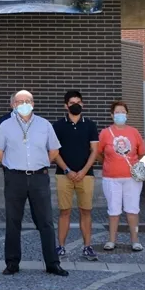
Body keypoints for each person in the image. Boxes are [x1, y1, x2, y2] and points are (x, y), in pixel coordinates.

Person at [0, 90, 68, 276]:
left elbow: (54, 150)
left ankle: (52, 263)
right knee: (12, 221)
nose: (24, 104)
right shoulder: (6, 125)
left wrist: (38, 163)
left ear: (33, 103)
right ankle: (12, 263)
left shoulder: (44, 124)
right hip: (15, 177)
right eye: (20, 101)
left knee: (45, 222)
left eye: (27, 101)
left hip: (39, 177)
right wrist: (12, 166)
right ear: (13, 105)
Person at [52, 90, 99, 261]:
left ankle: (87, 247)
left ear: (83, 104)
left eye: (78, 102)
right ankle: (61, 247)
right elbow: (54, 152)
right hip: (63, 175)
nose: (76, 105)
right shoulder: (57, 126)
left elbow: (95, 151)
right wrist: (67, 170)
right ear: (66, 106)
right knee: (64, 211)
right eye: (72, 103)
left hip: (86, 175)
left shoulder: (90, 125)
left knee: (85, 211)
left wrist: (84, 171)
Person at [96, 101, 145, 252]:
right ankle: (111, 240)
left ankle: (135, 240)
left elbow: (141, 151)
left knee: (132, 209)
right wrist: (109, 162)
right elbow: (98, 153)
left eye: (122, 112)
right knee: (113, 210)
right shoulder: (105, 133)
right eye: (117, 112)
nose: (120, 115)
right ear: (112, 115)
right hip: (111, 178)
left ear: (127, 114)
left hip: (131, 178)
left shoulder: (134, 132)